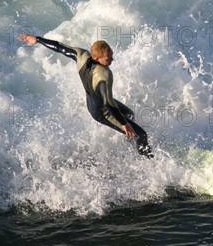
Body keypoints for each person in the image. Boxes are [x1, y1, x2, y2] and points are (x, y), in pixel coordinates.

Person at [19, 33, 153, 158]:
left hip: (94, 101)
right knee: (141, 134)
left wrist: (37, 39)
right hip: (102, 111)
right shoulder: (104, 75)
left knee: (129, 114)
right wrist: (124, 124)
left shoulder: (81, 55)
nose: (112, 58)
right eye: (108, 58)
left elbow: (59, 47)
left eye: (111, 54)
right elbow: (108, 103)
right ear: (96, 58)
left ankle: (130, 144)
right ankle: (148, 162)